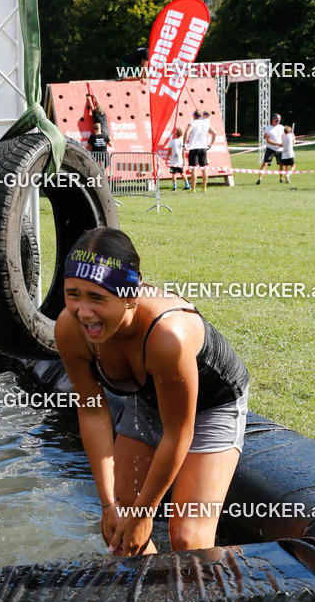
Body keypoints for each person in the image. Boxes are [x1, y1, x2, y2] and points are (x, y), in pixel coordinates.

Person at [54, 227, 249, 557]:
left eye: (97, 298)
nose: (83, 312)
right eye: (74, 294)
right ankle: (158, 588)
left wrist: (145, 513)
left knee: (187, 541)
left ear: (130, 295)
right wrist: (108, 505)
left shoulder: (168, 336)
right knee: (120, 531)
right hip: (149, 401)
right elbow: (92, 411)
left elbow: (178, 433)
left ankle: (228, 581)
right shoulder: (70, 329)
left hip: (211, 405)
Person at [183, 110, 216, 193]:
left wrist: (184, 144)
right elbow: (214, 133)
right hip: (203, 148)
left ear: (194, 115)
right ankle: (204, 188)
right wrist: (211, 144)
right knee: (204, 169)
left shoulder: (192, 123)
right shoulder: (206, 123)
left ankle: (193, 189)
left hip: (194, 148)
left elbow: (187, 133)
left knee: (194, 169)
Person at [256, 113, 284, 184]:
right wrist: (277, 144)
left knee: (281, 164)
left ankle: (281, 179)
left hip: (280, 150)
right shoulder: (267, 128)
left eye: (279, 120)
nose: (278, 121)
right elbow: (268, 140)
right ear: (273, 119)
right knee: (265, 164)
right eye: (277, 120)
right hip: (270, 148)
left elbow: (284, 136)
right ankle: (259, 179)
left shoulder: (281, 127)